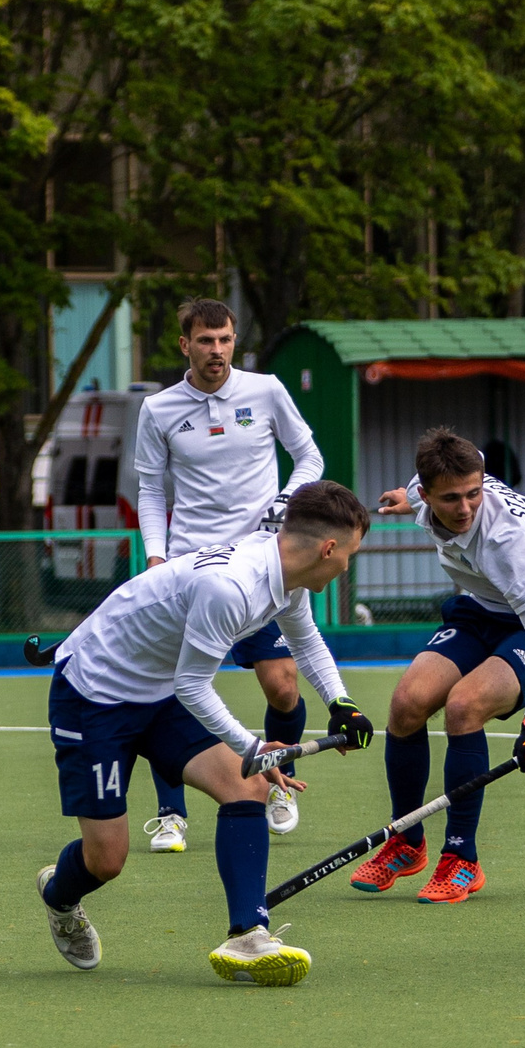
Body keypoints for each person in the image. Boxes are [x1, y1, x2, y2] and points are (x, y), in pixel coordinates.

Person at [34, 481, 373, 984]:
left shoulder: (287, 573)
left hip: (158, 691)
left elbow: (306, 640)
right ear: (328, 548)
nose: (348, 565)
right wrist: (254, 747)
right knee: (107, 860)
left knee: (247, 786)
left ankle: (249, 935)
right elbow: (193, 686)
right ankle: (59, 895)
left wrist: (341, 703)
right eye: (349, 554)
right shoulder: (233, 586)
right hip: (94, 694)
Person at [353, 429, 525, 904]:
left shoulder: (505, 540)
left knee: (463, 706)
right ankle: (406, 841)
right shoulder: (429, 491)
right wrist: (403, 497)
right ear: (425, 493)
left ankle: (462, 858)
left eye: (474, 494)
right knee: (406, 702)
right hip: (482, 607)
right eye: (451, 498)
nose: (465, 508)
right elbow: (457, 458)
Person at [130, 298, 325, 853]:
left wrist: (287, 500)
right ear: (184, 345)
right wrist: (155, 555)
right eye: (206, 341)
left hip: (262, 565)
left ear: (234, 341)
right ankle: (171, 814)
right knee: (166, 690)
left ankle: (278, 783)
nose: (216, 350)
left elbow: (309, 458)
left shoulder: (265, 391)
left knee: (283, 685)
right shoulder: (159, 409)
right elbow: (150, 489)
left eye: (225, 340)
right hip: (190, 569)